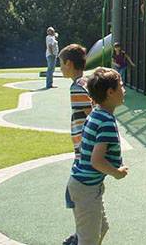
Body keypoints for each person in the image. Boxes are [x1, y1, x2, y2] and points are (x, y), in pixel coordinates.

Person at [67, 67, 128, 245]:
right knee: (88, 240)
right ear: (110, 92)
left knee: (101, 228)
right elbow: (97, 161)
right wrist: (117, 172)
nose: (124, 90)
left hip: (86, 186)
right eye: (121, 86)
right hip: (86, 189)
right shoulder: (106, 121)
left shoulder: (97, 112)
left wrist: (103, 72)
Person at [59, 44, 94, 245]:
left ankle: (80, 235)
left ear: (70, 64)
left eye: (61, 64)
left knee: (74, 192)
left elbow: (92, 116)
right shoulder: (85, 81)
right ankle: (80, 233)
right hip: (85, 150)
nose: (60, 68)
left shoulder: (76, 88)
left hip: (85, 151)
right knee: (77, 193)